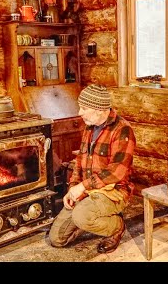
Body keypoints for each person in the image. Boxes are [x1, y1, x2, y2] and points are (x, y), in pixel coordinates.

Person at [48, 84, 136, 254]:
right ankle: (88, 218)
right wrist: (73, 188)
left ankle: (117, 226)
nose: (80, 112)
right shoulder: (89, 127)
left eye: (84, 108)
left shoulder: (123, 130)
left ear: (100, 109)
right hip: (89, 189)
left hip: (113, 191)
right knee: (57, 239)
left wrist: (83, 187)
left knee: (81, 216)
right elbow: (80, 161)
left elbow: (117, 172)